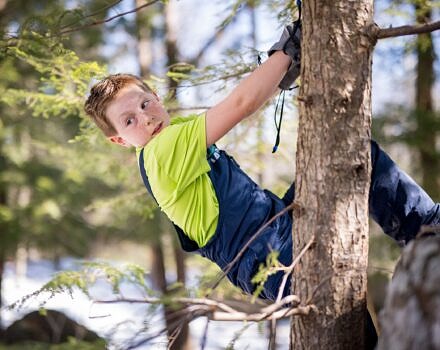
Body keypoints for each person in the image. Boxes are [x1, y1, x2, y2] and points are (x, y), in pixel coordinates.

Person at [84, 23, 439, 303]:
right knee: (349, 314)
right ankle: (429, 234)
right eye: (129, 120)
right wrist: (285, 52)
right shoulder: (161, 152)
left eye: (145, 103)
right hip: (268, 255)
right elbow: (241, 104)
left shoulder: (174, 134)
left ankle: (428, 237)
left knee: (356, 157)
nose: (144, 118)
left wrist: (281, 68)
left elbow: (241, 101)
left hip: (275, 225)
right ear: (119, 140)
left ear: (156, 97)